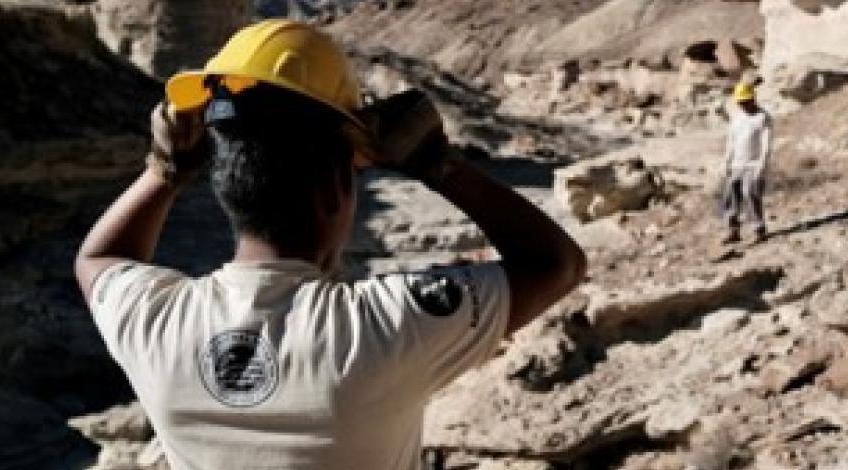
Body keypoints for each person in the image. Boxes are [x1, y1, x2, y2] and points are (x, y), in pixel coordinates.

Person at [73, 20, 585, 470]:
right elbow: (556, 263)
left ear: (222, 185)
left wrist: (164, 171)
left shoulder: (155, 322)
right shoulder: (387, 328)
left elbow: (99, 259)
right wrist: (439, 165)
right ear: (334, 192)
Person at [721, 81, 773, 244]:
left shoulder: (763, 118)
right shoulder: (737, 119)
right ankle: (733, 230)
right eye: (740, 102)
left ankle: (759, 229)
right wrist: (726, 162)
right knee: (731, 195)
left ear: (753, 98)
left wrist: (762, 165)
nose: (743, 104)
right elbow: (731, 141)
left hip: (753, 163)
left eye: (745, 101)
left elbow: (766, 144)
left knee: (751, 194)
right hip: (737, 163)